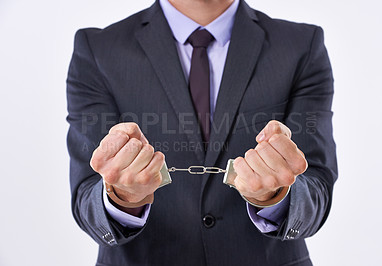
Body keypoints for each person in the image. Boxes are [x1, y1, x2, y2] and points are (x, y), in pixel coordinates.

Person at [66, 0, 337, 265]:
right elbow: (86, 197)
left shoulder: (301, 46)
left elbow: (317, 187)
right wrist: (123, 198)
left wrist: (275, 198)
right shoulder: (98, 50)